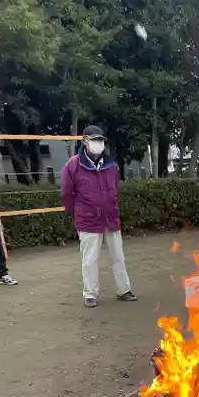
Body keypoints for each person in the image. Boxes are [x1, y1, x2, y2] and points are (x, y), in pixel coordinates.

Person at [61, 125, 137, 308]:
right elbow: (66, 194)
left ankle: (124, 290)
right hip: (87, 220)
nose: (99, 143)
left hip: (110, 218)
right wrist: (79, 213)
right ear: (85, 141)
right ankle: (90, 294)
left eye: (101, 140)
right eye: (95, 139)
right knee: (89, 260)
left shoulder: (111, 164)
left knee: (118, 256)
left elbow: (115, 189)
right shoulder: (72, 165)